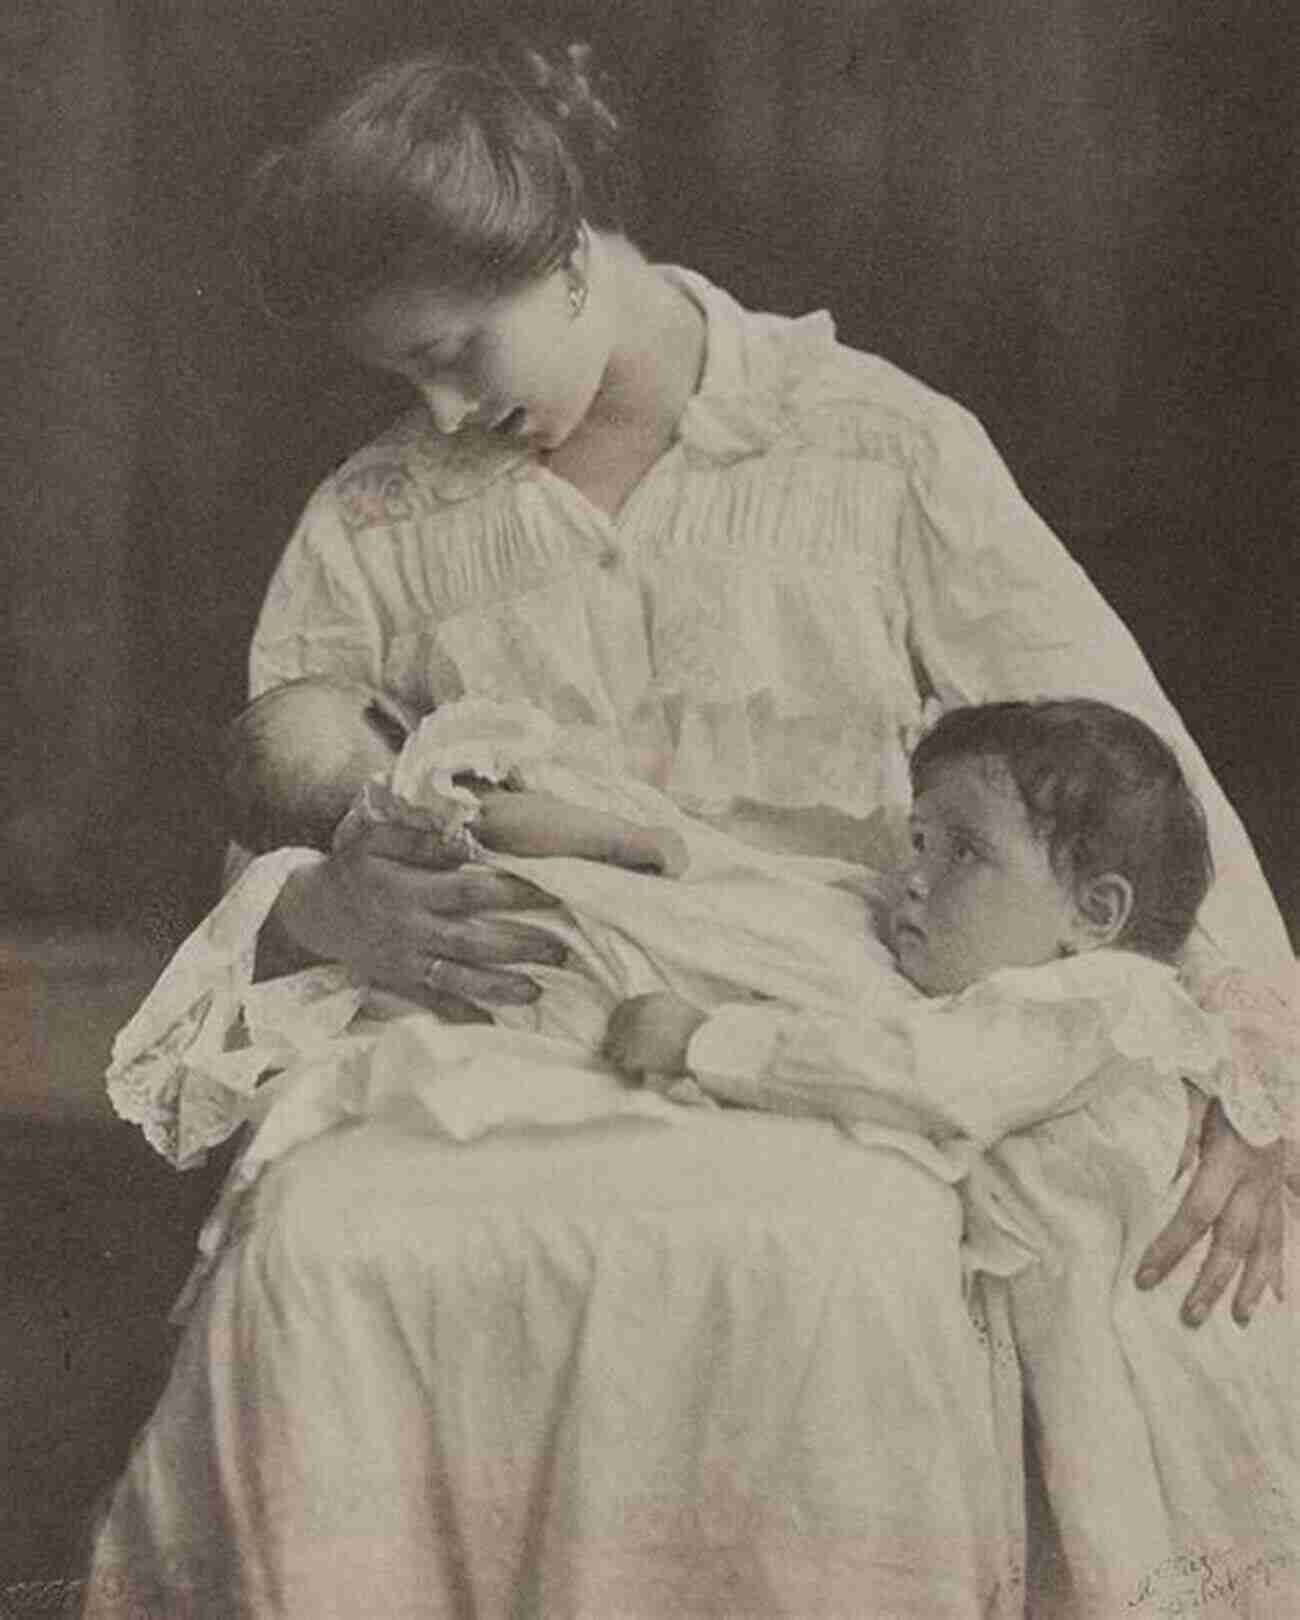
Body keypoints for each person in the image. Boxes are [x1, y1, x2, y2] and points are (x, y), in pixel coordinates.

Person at [83, 25, 1295, 1620]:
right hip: (506, 1034)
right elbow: (284, 806)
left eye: (460, 351)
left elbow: (1129, 768)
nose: (440, 412)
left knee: (854, 1259)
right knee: (324, 1242)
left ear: (574, 255)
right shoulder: (376, 523)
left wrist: (1261, 1084)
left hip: (852, 1004)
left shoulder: (873, 443)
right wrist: (329, 908)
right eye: (402, 376)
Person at [605, 699, 1300, 1616]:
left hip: (1169, 1345)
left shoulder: (1097, 1000)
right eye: (919, 842)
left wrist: (707, 1040)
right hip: (1101, 1343)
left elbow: (926, 1076)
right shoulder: (1065, 992)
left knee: (1181, 1560)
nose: (913, 882)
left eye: (963, 853)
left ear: (1095, 913)